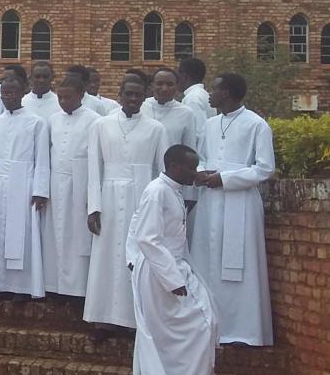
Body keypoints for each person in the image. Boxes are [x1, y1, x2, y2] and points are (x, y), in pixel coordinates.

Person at [191, 73, 274, 346]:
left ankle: (243, 330)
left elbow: (264, 168)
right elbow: (201, 157)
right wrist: (203, 173)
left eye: (214, 91)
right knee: (206, 260)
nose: (210, 95)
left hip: (240, 203)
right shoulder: (210, 124)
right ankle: (207, 325)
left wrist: (224, 179)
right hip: (210, 202)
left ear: (226, 93)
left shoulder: (257, 125)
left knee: (239, 267)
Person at [126, 144, 220, 374]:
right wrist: (172, 279)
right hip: (160, 274)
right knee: (199, 325)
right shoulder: (156, 191)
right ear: (174, 166)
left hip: (174, 267)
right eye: (191, 168)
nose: (194, 172)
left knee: (202, 325)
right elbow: (147, 238)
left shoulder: (173, 189)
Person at [84, 76, 168, 331]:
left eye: (138, 94)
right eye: (128, 94)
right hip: (107, 198)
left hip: (141, 198)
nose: (133, 99)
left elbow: (163, 172)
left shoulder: (156, 128)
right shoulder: (101, 125)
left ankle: (134, 319)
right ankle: (102, 317)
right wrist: (93, 207)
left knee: (137, 258)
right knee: (105, 257)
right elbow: (93, 167)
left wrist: (158, 209)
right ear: (119, 94)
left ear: (145, 96)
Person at [0, 77, 49, 298]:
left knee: (22, 235)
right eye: (4, 93)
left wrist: (40, 191)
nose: (7, 97)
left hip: (24, 182)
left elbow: (42, 159)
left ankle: (21, 287)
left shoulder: (37, 122)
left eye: (12, 93)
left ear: (23, 92)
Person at [43, 78, 101, 297]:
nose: (63, 102)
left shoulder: (94, 120)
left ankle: (77, 289)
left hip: (80, 183)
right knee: (54, 234)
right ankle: (54, 285)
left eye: (68, 97)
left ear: (81, 95)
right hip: (55, 182)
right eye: (60, 97)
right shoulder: (53, 120)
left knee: (76, 236)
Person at [142, 68, 199, 150]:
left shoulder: (186, 113)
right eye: (159, 83)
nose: (164, 89)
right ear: (152, 85)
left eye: (170, 84)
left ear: (177, 86)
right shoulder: (141, 107)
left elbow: (189, 148)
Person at [178, 57, 215, 124]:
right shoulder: (203, 94)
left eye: (178, 76)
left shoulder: (192, 98)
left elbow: (198, 130)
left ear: (185, 76)